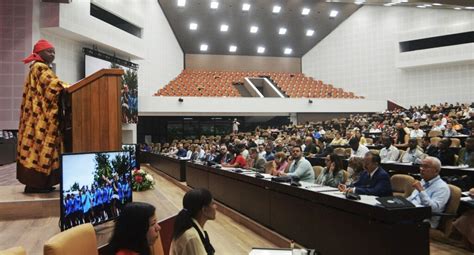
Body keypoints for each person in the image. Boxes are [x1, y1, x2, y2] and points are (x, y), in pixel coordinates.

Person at [17, 39, 69, 193]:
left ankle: (41, 183)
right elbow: (52, 85)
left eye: (53, 52)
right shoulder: (39, 67)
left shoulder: (38, 67)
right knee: (39, 148)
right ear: (38, 53)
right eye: (49, 51)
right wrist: (67, 87)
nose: (52, 54)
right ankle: (37, 184)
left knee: (38, 149)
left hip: (36, 115)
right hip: (40, 118)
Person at [406, 157, 450, 229]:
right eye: (421, 166)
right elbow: (412, 198)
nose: (421, 169)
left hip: (425, 220)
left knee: (394, 223)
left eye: (426, 167)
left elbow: (434, 209)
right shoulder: (423, 181)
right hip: (411, 213)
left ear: (436, 171)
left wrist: (421, 190)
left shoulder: (442, 187)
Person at [170, 188, 216, 255]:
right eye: (212, 204)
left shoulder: (189, 226)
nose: (215, 207)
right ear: (204, 210)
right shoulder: (192, 237)